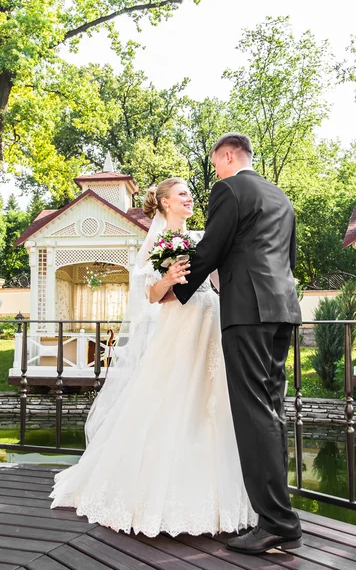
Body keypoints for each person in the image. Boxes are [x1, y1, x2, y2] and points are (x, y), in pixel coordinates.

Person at [50, 177, 257, 538]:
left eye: (190, 194)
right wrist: (170, 277)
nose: (189, 199)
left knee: (211, 407)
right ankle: (154, 494)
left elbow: (217, 283)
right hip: (178, 328)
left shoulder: (199, 240)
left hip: (210, 324)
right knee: (171, 403)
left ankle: (219, 495)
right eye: (182, 194)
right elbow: (150, 294)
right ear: (164, 203)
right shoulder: (156, 243)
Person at [172, 133, 303, 554]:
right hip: (282, 309)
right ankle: (281, 515)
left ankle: (277, 523)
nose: (215, 173)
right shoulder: (279, 196)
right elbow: (289, 258)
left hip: (247, 313)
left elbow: (211, 247)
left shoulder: (228, 189)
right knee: (272, 409)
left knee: (253, 414)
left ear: (229, 156)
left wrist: (176, 288)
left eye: (216, 164)